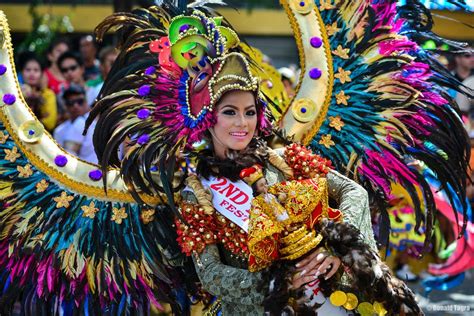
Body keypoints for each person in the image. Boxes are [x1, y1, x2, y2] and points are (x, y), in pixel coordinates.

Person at [53, 84, 97, 163]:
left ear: (86, 102)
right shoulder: (59, 131)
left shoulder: (97, 123)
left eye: (80, 102)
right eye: (71, 103)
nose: (75, 106)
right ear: (65, 105)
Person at [18, 52, 57, 131]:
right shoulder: (16, 93)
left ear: (42, 74)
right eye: (28, 70)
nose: (32, 73)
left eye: (36, 70)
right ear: (22, 73)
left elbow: (50, 123)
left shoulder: (48, 94)